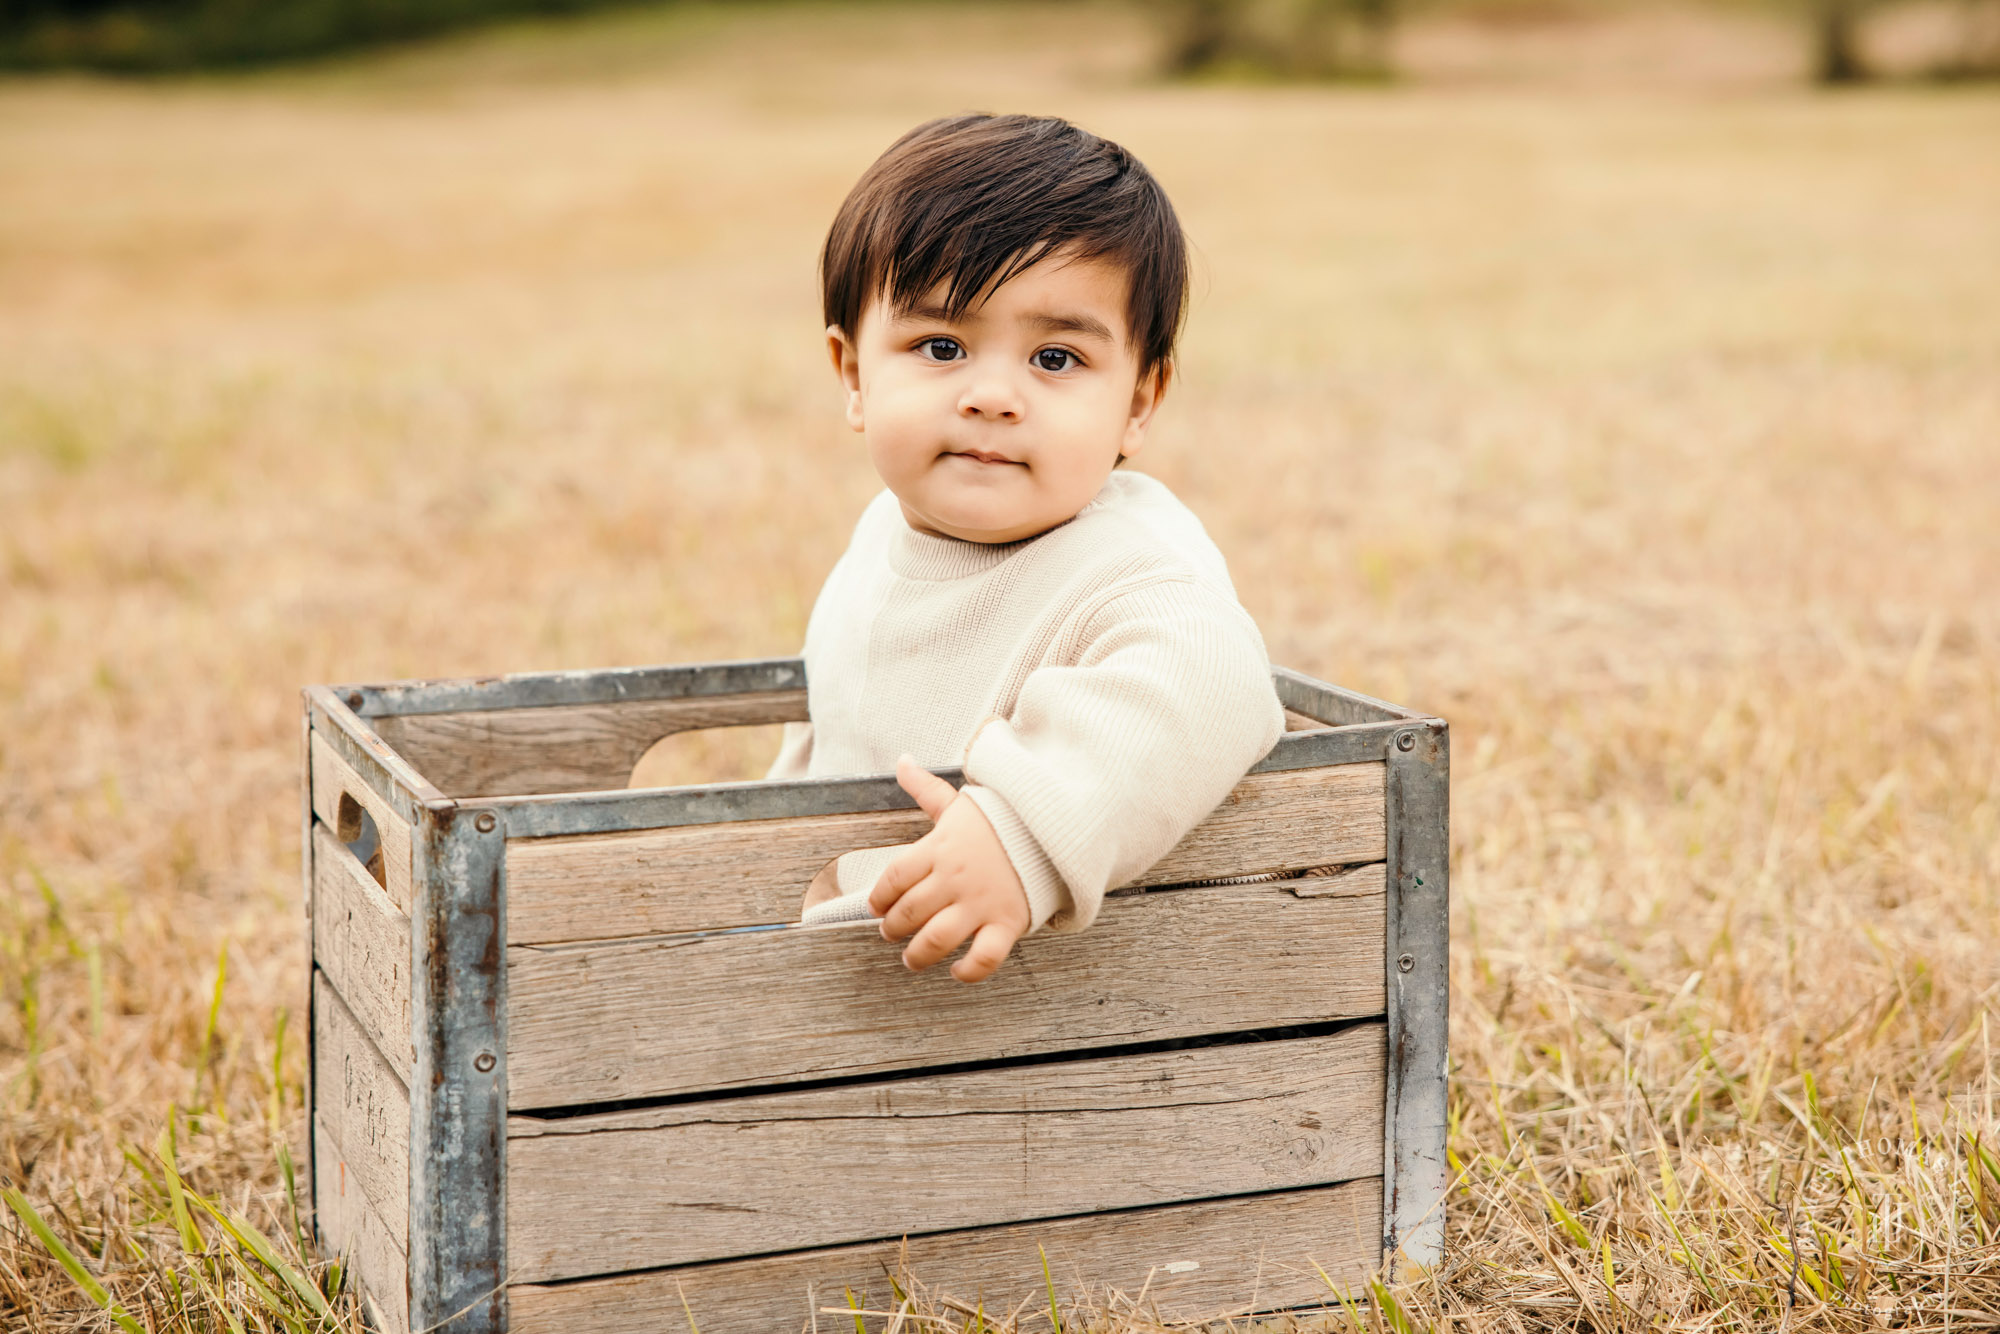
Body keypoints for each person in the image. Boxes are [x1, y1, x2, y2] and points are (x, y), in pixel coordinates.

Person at [768, 112, 1283, 982]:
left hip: (1023, 1009)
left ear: (1139, 403)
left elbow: (1212, 681)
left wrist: (1024, 832)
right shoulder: (880, 537)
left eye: (1054, 358)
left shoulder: (1129, 566)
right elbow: (836, 737)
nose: (994, 396)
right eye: (942, 346)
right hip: (859, 975)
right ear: (854, 372)